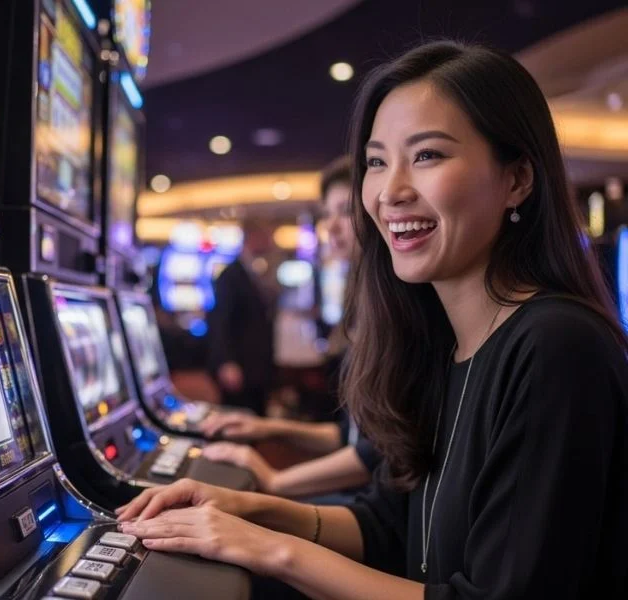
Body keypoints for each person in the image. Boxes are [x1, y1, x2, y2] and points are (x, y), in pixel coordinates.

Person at [114, 40, 628, 599]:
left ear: (517, 179)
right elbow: (392, 526)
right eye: (377, 162)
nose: (391, 192)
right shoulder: (440, 343)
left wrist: (269, 548)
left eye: (427, 155)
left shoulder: (557, 345)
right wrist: (247, 508)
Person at [199, 157, 382, 501]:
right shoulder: (232, 274)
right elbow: (354, 437)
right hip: (366, 497)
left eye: (345, 211)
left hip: (375, 508)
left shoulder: (392, 313)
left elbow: (373, 455)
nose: (332, 227)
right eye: (327, 214)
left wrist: (273, 482)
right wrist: (269, 427)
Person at [207, 218, 277, 416]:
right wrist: (226, 362)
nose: (270, 242)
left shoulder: (256, 270)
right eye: (266, 237)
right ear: (252, 238)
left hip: (257, 367)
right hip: (239, 366)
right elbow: (220, 321)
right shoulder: (230, 275)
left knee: (254, 420)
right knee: (236, 423)